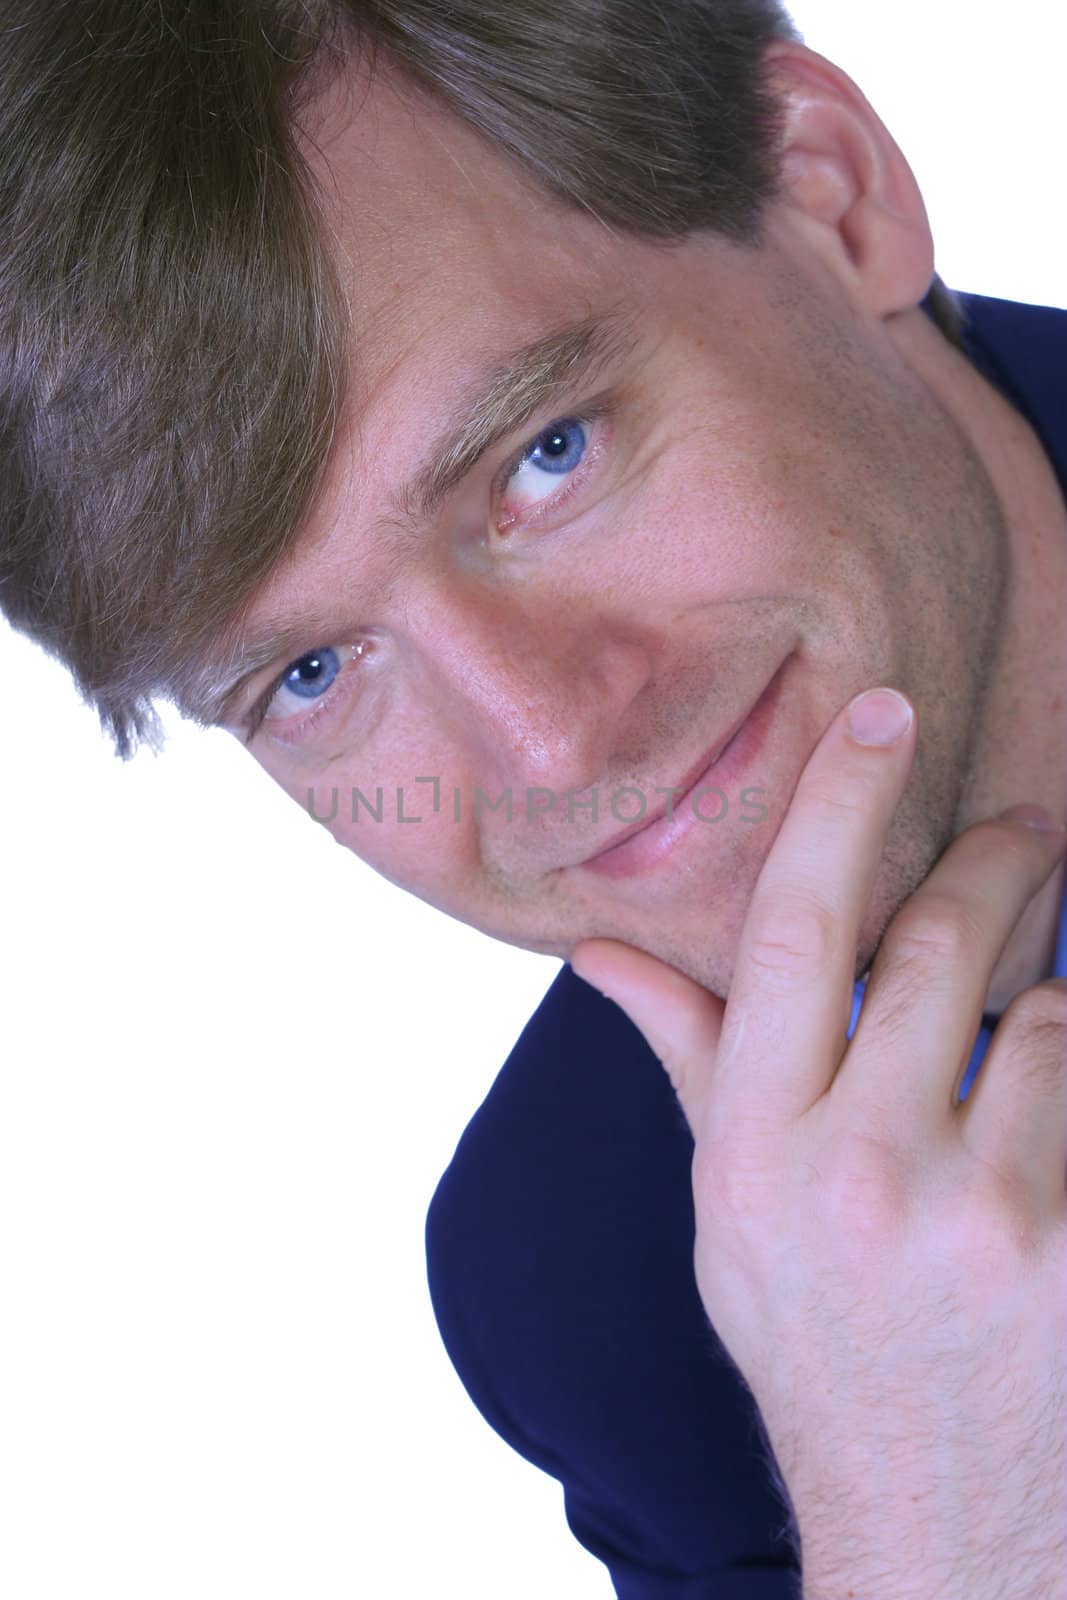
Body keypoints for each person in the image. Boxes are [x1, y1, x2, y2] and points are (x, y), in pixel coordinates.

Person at [2, 4, 1064, 1596]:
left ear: (834, 194)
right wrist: (949, 1525)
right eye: (309, 673)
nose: (552, 751)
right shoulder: (596, 1283)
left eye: (546, 458)